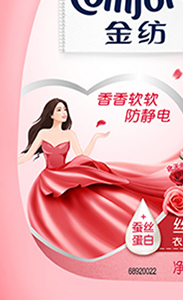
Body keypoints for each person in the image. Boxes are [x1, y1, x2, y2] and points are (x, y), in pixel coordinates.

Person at [19, 98, 174, 260]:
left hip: (65, 174)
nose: (63, 113)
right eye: (59, 110)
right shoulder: (43, 133)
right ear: (51, 114)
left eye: (65, 109)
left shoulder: (69, 134)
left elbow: (81, 155)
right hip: (49, 178)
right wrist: (11, 161)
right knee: (51, 211)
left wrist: (95, 138)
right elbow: (28, 155)